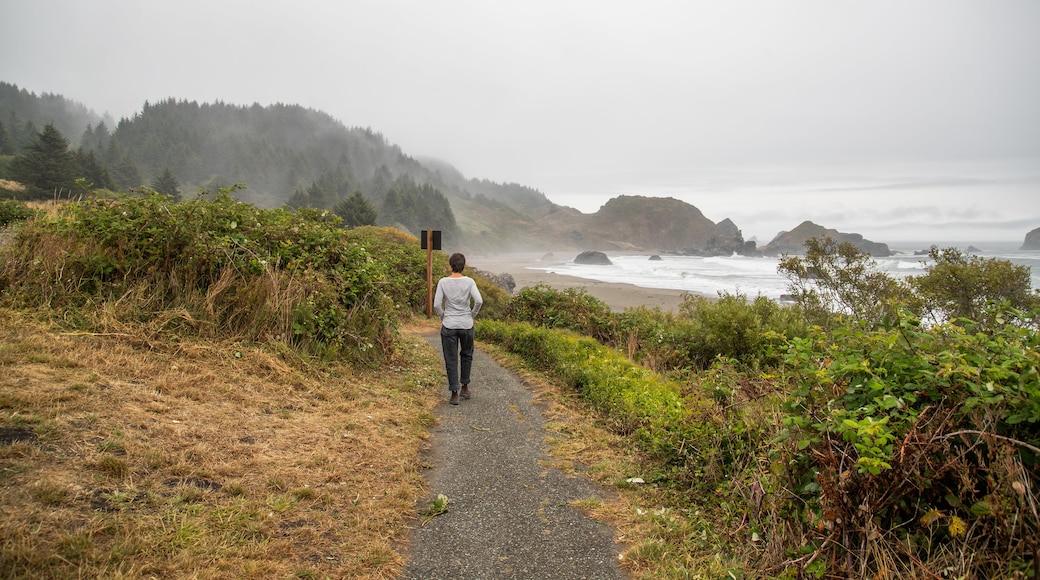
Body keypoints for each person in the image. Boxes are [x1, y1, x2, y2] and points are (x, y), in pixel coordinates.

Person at [433, 253, 483, 405]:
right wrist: (471, 315)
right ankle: (465, 387)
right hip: (466, 324)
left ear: (450, 266)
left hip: (449, 325)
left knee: (451, 358)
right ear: (463, 266)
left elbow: (436, 305)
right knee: (467, 355)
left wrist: (444, 317)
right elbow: (479, 301)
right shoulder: (469, 281)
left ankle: (454, 393)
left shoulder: (443, 282)